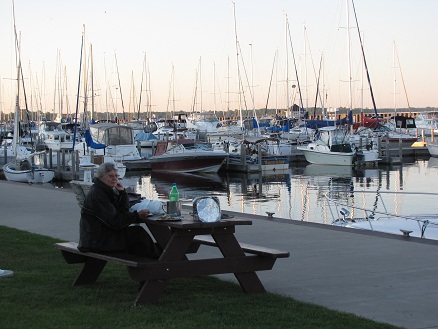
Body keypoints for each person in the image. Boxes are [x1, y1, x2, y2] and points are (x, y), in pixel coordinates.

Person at [78, 162, 161, 259]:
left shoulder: (105, 190)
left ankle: (153, 260)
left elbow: (123, 211)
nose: (115, 178)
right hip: (97, 241)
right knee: (138, 234)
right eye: (110, 176)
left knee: (137, 236)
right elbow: (115, 222)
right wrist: (137, 215)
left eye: (116, 176)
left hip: (97, 238)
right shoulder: (98, 194)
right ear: (101, 177)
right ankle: (156, 262)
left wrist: (122, 193)